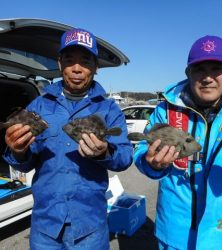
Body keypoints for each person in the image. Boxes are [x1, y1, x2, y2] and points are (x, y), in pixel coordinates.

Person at [3, 28, 133, 250]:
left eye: (85, 60)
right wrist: (18, 150)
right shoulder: (39, 105)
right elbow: (24, 164)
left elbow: (124, 158)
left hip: (90, 227)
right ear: (60, 63)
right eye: (69, 59)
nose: (76, 68)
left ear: (96, 66)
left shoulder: (110, 108)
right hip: (46, 226)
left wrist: (104, 152)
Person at [133, 35, 222, 250]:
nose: (208, 77)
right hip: (174, 234)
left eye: (217, 68)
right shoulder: (164, 110)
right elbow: (141, 151)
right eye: (199, 69)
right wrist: (151, 164)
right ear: (188, 72)